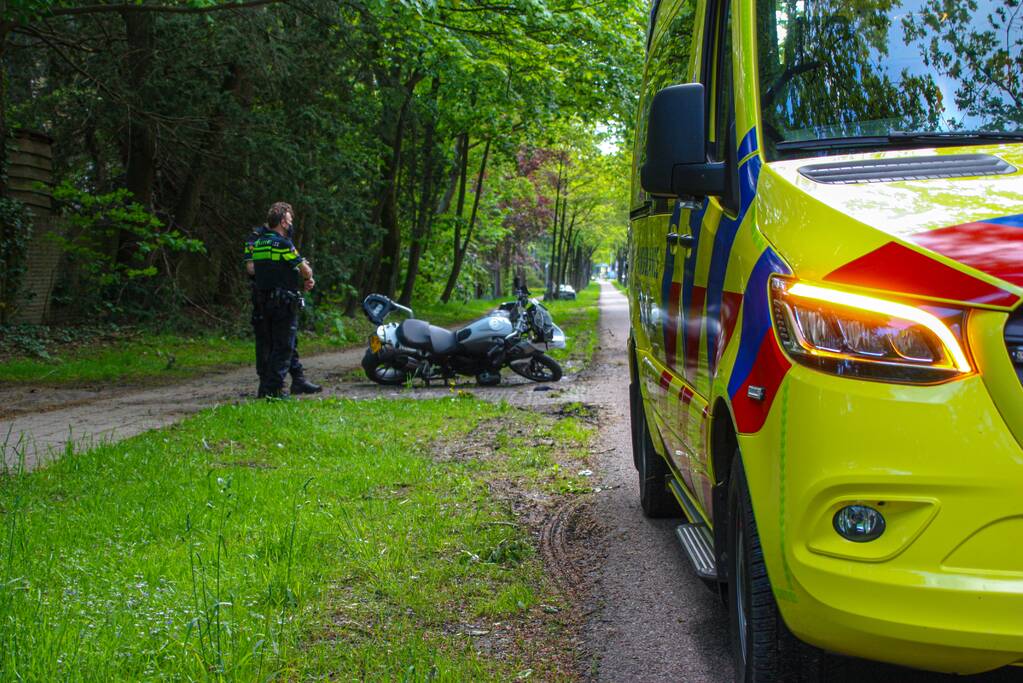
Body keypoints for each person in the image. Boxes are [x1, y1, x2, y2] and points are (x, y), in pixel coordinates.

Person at [244, 202, 321, 398]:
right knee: (278, 344)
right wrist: (301, 270)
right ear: (282, 222)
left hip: (267, 297)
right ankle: (271, 389)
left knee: (284, 343)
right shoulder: (273, 241)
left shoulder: (260, 242)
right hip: (277, 299)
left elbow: (260, 267)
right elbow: (303, 269)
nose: (291, 223)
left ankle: (292, 381)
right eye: (289, 219)